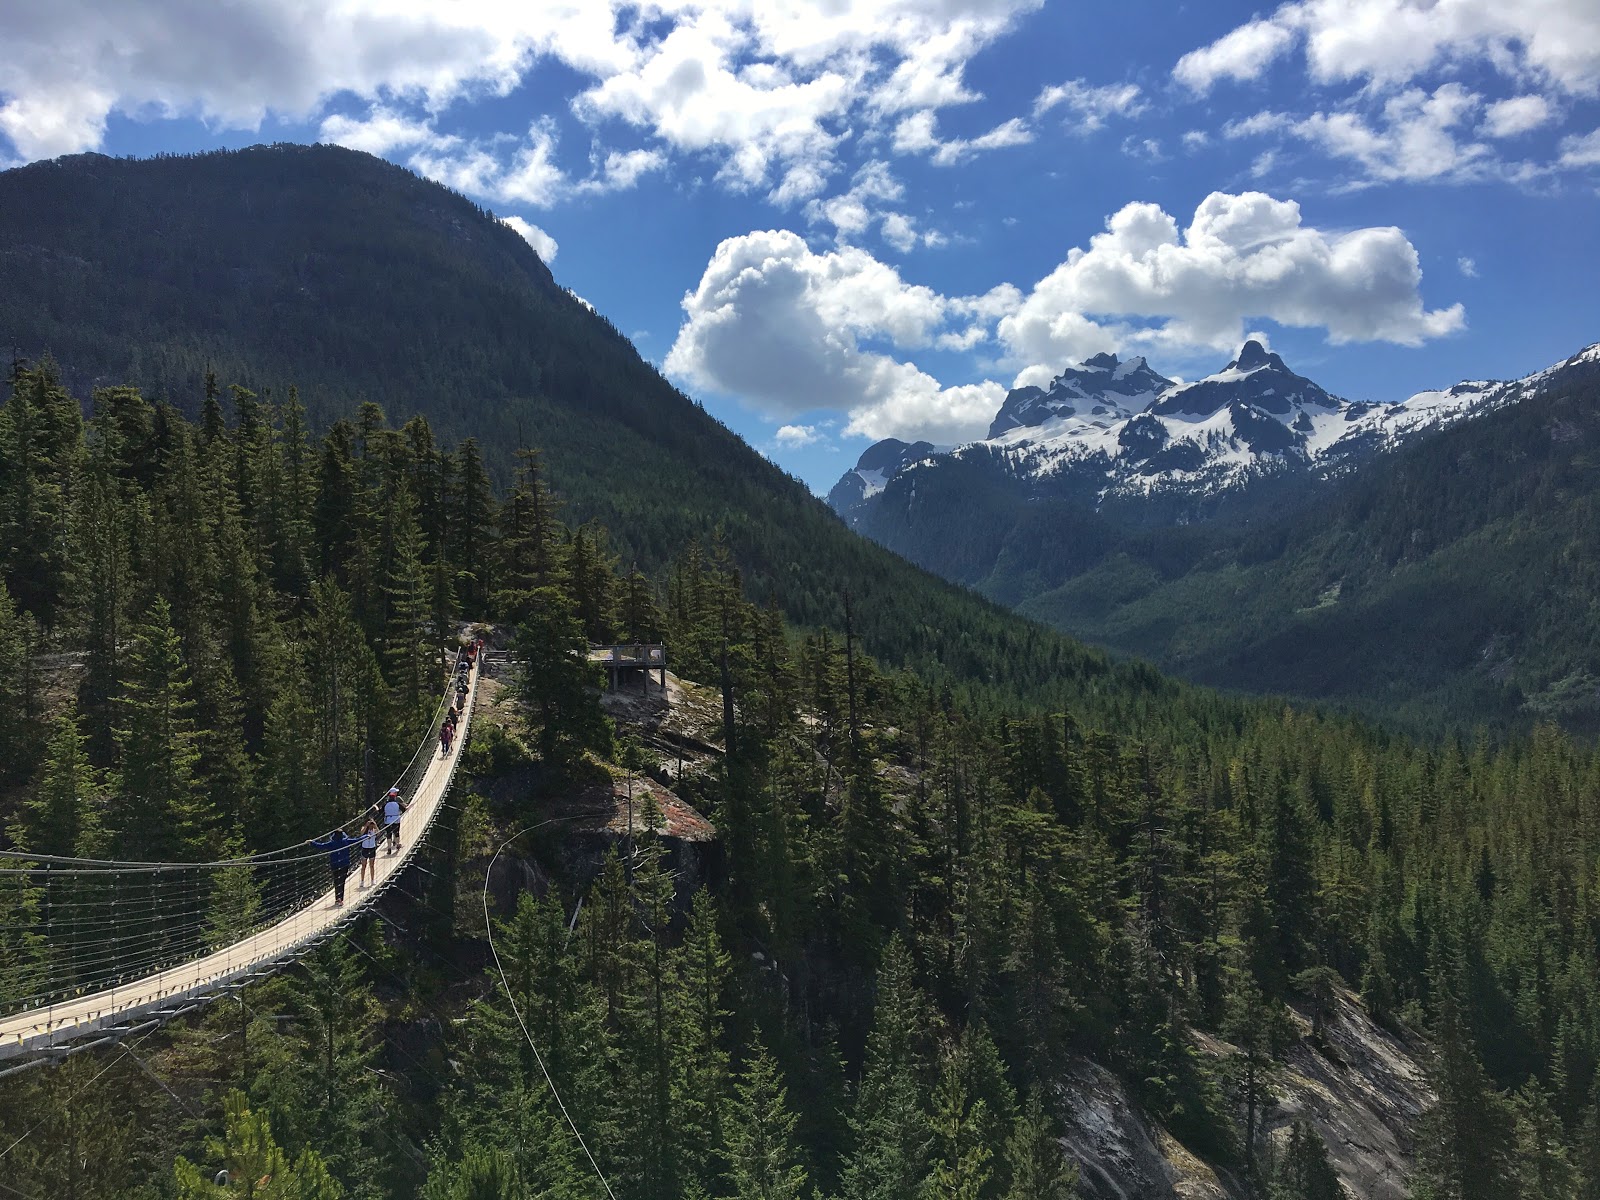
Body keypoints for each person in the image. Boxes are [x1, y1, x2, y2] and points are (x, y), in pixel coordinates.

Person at [308, 828, 356, 907]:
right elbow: (357, 840)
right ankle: (340, 898)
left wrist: (311, 842)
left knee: (336, 881)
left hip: (335, 864)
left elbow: (321, 846)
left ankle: (337, 898)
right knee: (342, 881)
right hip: (344, 864)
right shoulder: (346, 841)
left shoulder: (331, 843)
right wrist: (366, 836)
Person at [357, 818, 379, 888]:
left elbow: (379, 833)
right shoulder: (364, 828)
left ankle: (372, 880)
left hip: (372, 848)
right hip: (365, 848)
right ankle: (362, 881)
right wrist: (366, 826)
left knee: (371, 865)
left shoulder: (374, 830)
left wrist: (375, 825)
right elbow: (361, 833)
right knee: (363, 866)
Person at [383, 788, 405, 854]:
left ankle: (389, 848)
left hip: (387, 820)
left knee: (388, 834)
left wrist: (376, 807)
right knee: (396, 832)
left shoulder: (385, 804)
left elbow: (380, 811)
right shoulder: (397, 804)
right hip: (396, 820)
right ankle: (398, 844)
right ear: (394, 797)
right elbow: (404, 810)